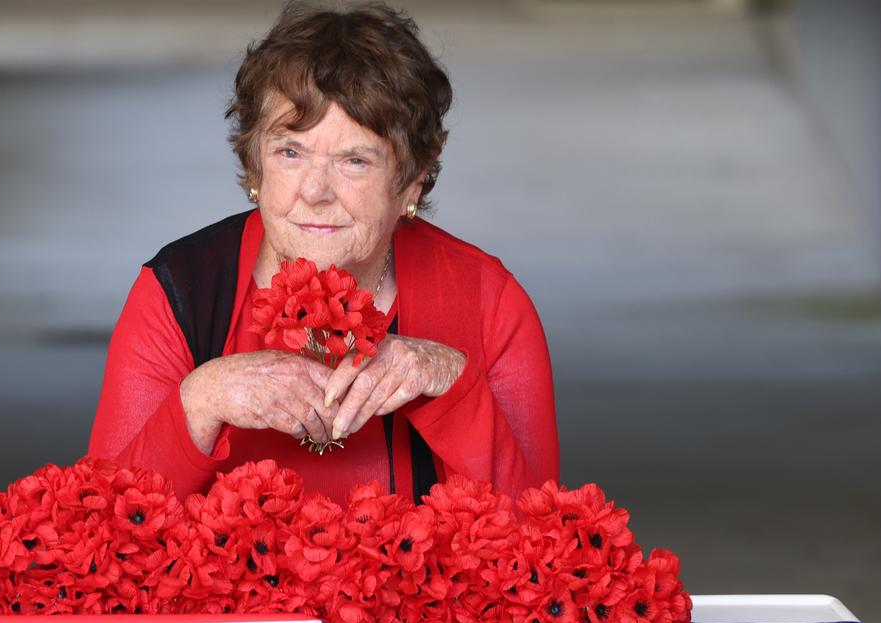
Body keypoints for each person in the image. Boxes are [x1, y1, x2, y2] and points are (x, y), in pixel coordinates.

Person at [89, 3, 557, 501]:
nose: (315, 191)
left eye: (354, 160)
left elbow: (541, 550)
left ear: (413, 179)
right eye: (290, 152)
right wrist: (201, 401)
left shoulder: (489, 302)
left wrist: (452, 383)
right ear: (255, 165)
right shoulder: (178, 290)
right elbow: (97, 530)